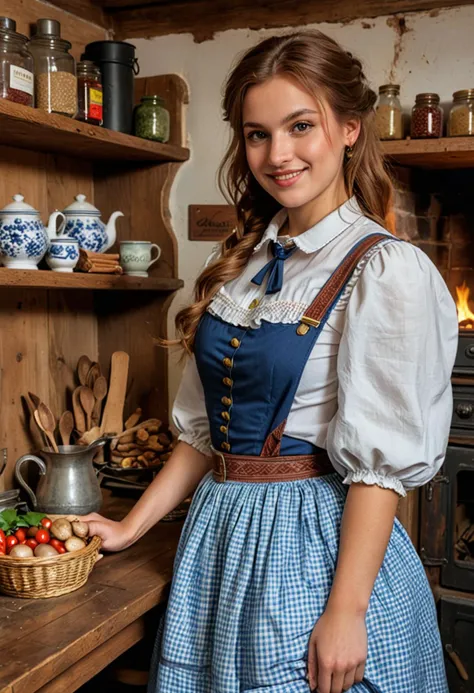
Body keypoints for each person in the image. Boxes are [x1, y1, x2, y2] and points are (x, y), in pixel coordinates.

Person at [83, 30, 458, 693]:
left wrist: (346, 610)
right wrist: (128, 527)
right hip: (221, 538)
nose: (277, 154)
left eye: (300, 126)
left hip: (315, 546)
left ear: (348, 128)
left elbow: (379, 471)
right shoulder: (245, 264)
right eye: (257, 134)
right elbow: (203, 434)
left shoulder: (385, 268)